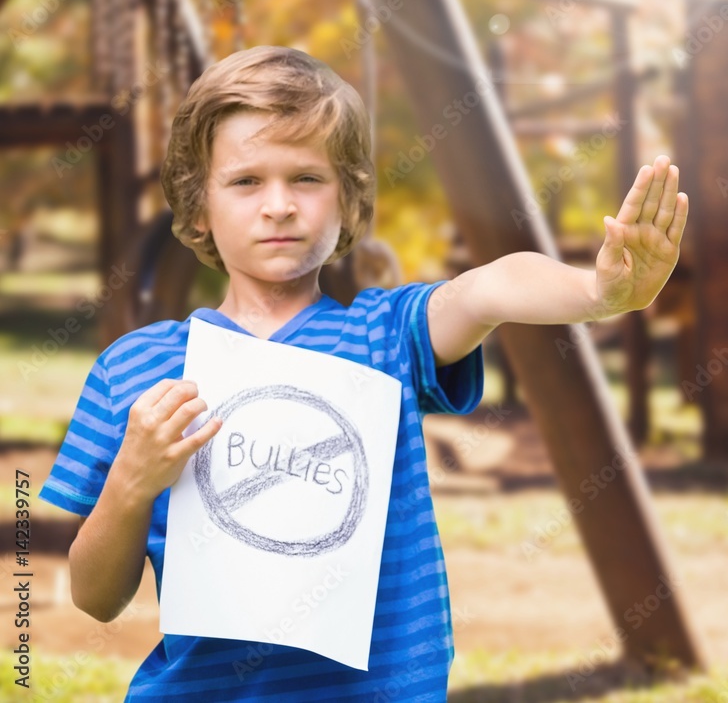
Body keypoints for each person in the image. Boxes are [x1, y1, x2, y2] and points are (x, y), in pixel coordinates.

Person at [38, 45, 688, 701]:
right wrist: (130, 479)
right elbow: (95, 596)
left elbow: (489, 289)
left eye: (307, 179)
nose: (279, 205)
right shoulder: (134, 369)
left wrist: (601, 294)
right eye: (245, 181)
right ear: (198, 203)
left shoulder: (386, 337)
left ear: (348, 201)